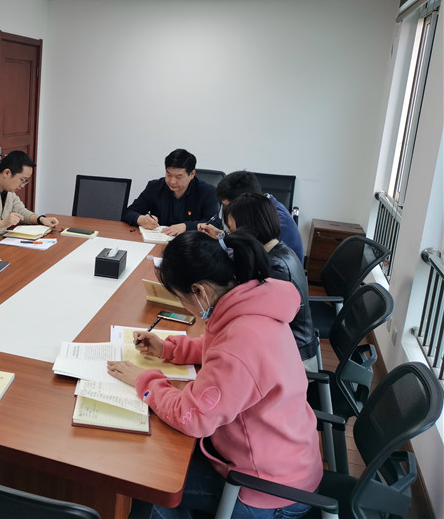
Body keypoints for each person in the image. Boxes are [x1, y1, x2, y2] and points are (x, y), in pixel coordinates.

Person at [107, 231, 322, 519]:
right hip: (282, 458)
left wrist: (143, 381)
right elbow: (220, 348)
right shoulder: (250, 303)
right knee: (163, 465)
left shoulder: (241, 342)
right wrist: (169, 348)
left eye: (179, 297)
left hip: (267, 489)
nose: (183, 304)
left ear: (199, 291)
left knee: (152, 487)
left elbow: (191, 417)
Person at [224, 193, 319, 370]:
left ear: (250, 228)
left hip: (294, 360)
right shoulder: (274, 251)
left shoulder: (276, 267)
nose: (230, 237)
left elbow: (250, 314)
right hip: (282, 346)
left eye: (232, 231)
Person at [201, 170, 304, 261]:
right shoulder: (264, 209)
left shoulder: (274, 223)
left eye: (228, 207)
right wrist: (222, 235)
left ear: (244, 202)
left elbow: (250, 254)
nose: (227, 212)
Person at [123, 148, 218, 236]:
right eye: (169, 175)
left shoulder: (208, 192)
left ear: (192, 174)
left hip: (190, 242)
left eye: (178, 176)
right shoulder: (155, 187)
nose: (172, 181)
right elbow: (129, 212)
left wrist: (186, 226)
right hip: (159, 239)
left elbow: (214, 223)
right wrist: (141, 219)